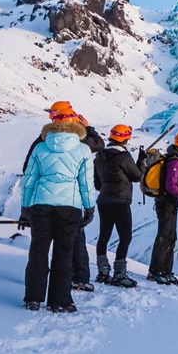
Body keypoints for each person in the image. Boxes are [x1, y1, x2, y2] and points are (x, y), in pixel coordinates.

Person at [22, 101, 105, 292]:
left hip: (41, 203)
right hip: (70, 204)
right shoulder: (81, 143)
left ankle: (34, 295)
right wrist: (89, 207)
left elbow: (28, 173)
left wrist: (26, 207)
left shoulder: (41, 143)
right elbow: (97, 148)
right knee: (67, 250)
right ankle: (74, 283)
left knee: (39, 251)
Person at [93, 124, 145, 288]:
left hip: (104, 200)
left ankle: (103, 272)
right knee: (125, 237)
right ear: (125, 138)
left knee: (104, 236)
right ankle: (119, 274)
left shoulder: (99, 157)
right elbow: (137, 176)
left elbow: (97, 184)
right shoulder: (123, 156)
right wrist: (141, 161)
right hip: (120, 201)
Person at [147, 132, 178, 285]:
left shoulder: (176, 158)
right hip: (166, 203)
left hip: (169, 202)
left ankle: (164, 270)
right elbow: (171, 185)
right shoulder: (176, 161)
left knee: (169, 236)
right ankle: (157, 271)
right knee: (165, 236)